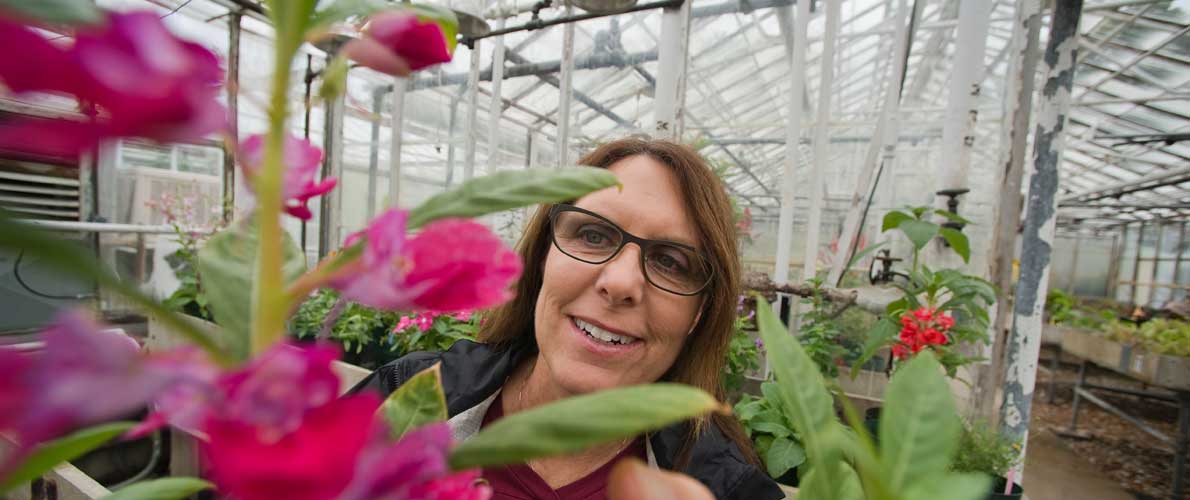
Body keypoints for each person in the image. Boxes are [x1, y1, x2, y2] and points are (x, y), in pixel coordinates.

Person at [354, 137, 784, 500]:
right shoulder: (407, 399)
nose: (620, 283)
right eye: (593, 235)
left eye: (671, 261)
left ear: (698, 314)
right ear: (543, 257)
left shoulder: (726, 489)